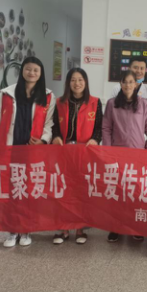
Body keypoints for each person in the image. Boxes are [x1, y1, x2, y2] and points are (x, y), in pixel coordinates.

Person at [0, 57, 56, 248]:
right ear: (22, 71)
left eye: (36, 70)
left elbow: (49, 123)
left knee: (28, 191)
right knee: (11, 191)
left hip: (32, 151)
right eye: (28, 69)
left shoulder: (47, 96)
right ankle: (12, 230)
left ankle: (26, 229)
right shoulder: (6, 94)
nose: (32, 73)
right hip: (10, 150)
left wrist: (44, 139)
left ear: (41, 73)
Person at [51, 67, 102, 245]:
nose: (77, 83)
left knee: (81, 191)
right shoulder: (59, 102)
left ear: (85, 82)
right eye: (73, 80)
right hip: (64, 152)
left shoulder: (95, 102)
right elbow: (54, 125)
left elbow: (99, 127)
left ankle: (80, 228)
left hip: (85, 153)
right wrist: (56, 137)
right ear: (68, 83)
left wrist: (95, 140)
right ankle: (63, 228)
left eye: (80, 80)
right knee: (63, 190)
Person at [103, 70, 147, 243]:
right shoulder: (112, 104)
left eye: (131, 82)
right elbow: (106, 128)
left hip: (138, 154)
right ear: (120, 84)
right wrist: (108, 151)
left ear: (136, 84)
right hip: (117, 154)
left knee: (135, 192)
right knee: (117, 191)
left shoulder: (143, 104)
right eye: (125, 82)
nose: (128, 85)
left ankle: (135, 226)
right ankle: (115, 227)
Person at [110, 57, 147, 126]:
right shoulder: (117, 89)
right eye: (135, 67)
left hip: (141, 131)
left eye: (142, 68)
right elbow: (110, 113)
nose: (139, 71)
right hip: (119, 129)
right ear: (129, 69)